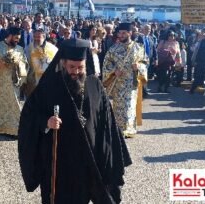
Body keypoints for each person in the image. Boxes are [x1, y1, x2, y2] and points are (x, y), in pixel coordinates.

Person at [18, 38, 132, 204]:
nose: (76, 72)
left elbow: (107, 123)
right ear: (63, 63)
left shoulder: (95, 85)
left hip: (89, 159)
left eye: (81, 67)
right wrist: (46, 122)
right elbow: (29, 116)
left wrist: (110, 159)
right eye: (72, 67)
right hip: (60, 161)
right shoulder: (49, 85)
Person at [102, 23, 148, 138]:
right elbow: (106, 63)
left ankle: (129, 128)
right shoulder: (113, 48)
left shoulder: (138, 47)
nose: (120, 35)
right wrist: (113, 71)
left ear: (130, 33)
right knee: (118, 106)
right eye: (119, 33)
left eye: (123, 33)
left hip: (131, 83)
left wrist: (138, 66)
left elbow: (145, 62)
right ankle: (118, 128)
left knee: (129, 105)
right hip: (118, 83)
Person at [0, 27, 28, 136]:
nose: (17, 40)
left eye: (19, 39)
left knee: (14, 105)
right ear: (10, 36)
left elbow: (25, 65)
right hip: (0, 82)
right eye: (16, 38)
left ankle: (13, 129)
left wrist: (18, 64)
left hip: (13, 82)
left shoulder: (20, 49)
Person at [24, 28, 58, 97]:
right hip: (32, 82)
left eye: (38, 37)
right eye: (34, 37)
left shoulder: (53, 48)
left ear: (44, 37)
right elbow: (25, 64)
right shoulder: (28, 48)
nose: (36, 39)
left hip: (48, 82)